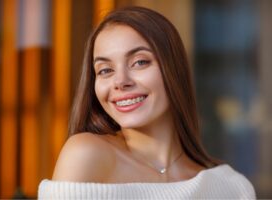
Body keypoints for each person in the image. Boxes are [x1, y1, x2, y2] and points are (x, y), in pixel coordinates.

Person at [38, 6, 255, 199]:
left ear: (174, 69)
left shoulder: (233, 188)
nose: (120, 81)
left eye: (140, 62)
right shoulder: (86, 154)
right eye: (105, 70)